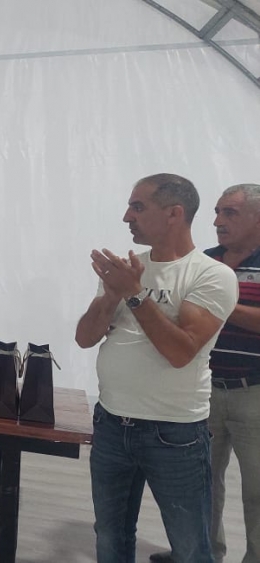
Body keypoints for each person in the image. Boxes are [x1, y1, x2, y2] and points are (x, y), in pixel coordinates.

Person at [75, 173, 238, 563]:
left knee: (189, 546)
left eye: (138, 207)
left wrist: (133, 293)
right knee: (110, 535)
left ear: (174, 213)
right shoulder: (127, 269)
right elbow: (85, 337)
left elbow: (180, 352)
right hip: (112, 422)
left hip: (174, 432)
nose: (126, 217)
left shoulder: (211, 274)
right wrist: (110, 295)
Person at [151, 183, 260, 563]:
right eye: (216, 212)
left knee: (258, 489)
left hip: (254, 393)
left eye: (230, 212)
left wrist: (218, 302)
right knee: (200, 483)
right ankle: (200, 553)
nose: (217, 221)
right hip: (202, 390)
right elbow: (180, 316)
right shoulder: (205, 263)